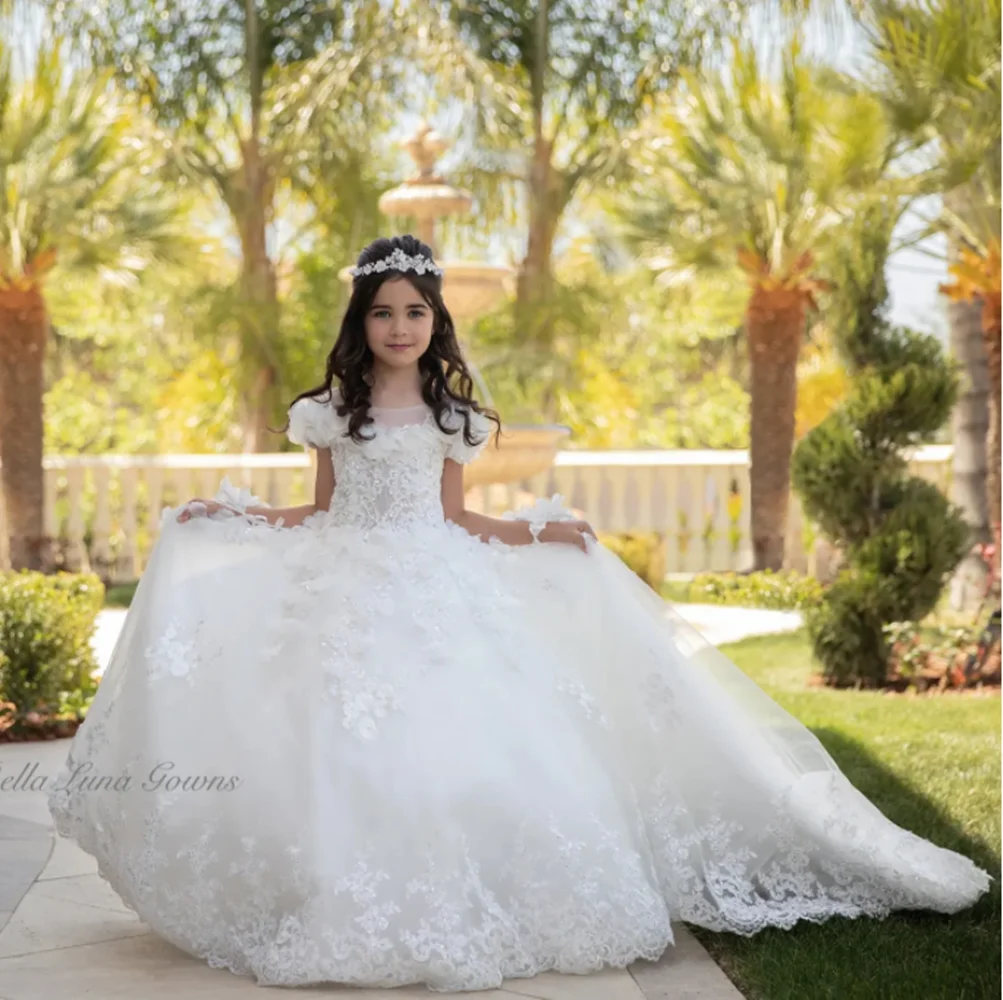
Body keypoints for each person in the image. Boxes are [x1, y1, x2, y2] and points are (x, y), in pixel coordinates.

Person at [47, 234, 991, 994]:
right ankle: (327, 897)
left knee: (470, 739)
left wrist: (538, 534)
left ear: (435, 320)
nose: (400, 326)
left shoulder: (457, 418)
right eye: (384, 312)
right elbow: (320, 509)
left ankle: (487, 892)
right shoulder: (330, 412)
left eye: (416, 311)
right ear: (361, 321)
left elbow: (459, 517)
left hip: (432, 580)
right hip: (345, 587)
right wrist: (241, 517)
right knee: (329, 746)